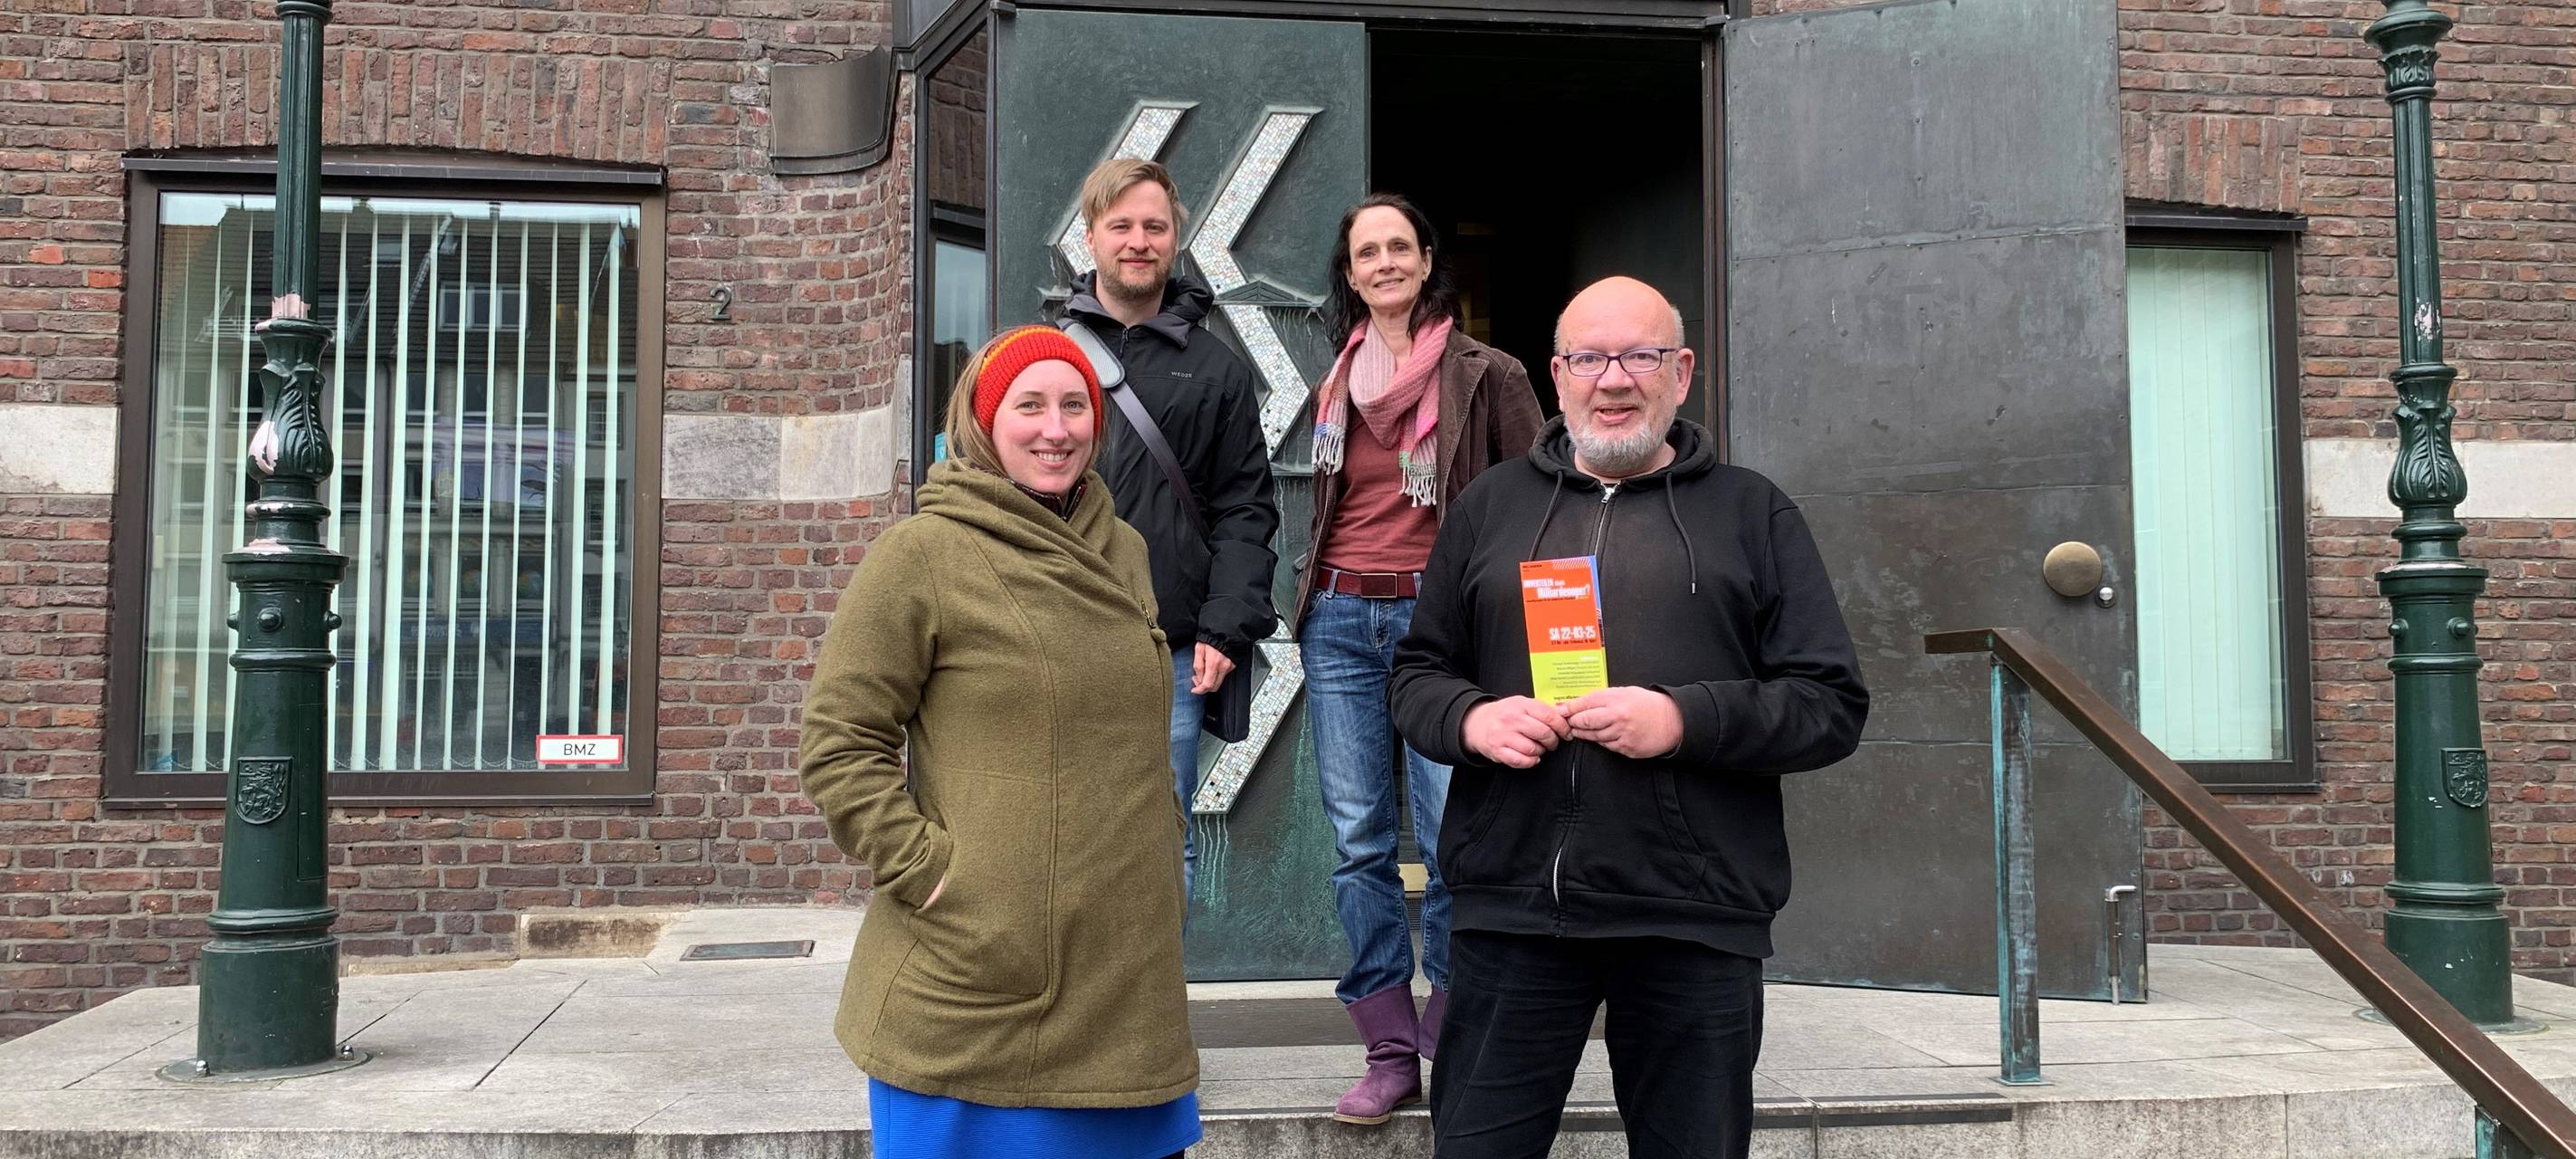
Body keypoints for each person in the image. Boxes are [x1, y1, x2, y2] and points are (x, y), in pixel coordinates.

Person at [1390, 277, 1870, 1158]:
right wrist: (1471, 721)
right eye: (1588, 357)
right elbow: (1417, 672)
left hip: (1692, 916)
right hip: (1511, 911)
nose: (1612, 378)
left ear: (1679, 372)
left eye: (1638, 355)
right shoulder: (1490, 506)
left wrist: (1681, 718)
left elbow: (1829, 701)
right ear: (1557, 372)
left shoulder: (1751, 512)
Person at [799, 325, 1199, 1159]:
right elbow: (841, 742)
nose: (1056, 428)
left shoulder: (1122, 547)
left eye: (1075, 405)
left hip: (1124, 984)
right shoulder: (924, 552)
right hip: (977, 983)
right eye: (1030, 405)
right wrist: (933, 874)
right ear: (985, 421)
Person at [1292, 193, 1543, 1126]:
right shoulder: (1336, 379)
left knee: (1449, 841)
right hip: (1338, 620)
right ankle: (1389, 1048)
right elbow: (1326, 508)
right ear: (1350, 273)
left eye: (1399, 245)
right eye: (1367, 251)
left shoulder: (1490, 374)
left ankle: (1453, 1029)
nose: (1385, 262)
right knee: (1358, 842)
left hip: (1443, 630)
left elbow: (1539, 505)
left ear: (1425, 259)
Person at [1061, 158, 1281, 905]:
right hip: (1051, 634)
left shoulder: (1215, 368)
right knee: (1052, 838)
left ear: (1174, 239)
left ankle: (1149, 1020)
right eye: (1120, 225)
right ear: (1089, 238)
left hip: (1171, 646)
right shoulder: (1041, 356)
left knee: (1162, 844)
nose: (1138, 240)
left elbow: (1246, 509)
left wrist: (1225, 629)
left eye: (1154, 227)